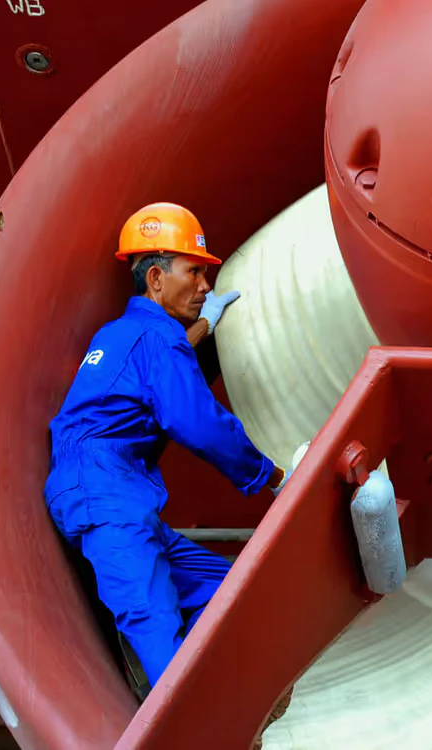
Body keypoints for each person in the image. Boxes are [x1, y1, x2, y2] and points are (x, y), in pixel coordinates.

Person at [43, 202, 288, 690]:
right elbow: (198, 423)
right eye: (194, 272)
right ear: (156, 279)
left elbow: (157, 372)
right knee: (154, 622)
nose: (205, 286)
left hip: (111, 492)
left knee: (233, 593)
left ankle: (202, 693)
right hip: (107, 494)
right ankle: (180, 708)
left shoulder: (123, 333)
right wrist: (272, 477)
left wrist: (205, 326)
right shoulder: (157, 339)